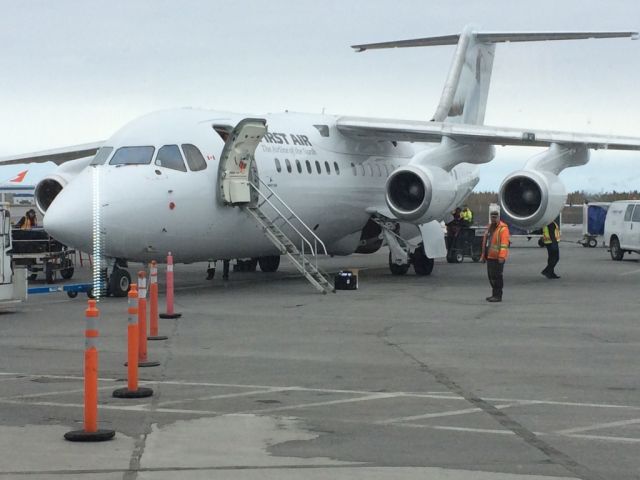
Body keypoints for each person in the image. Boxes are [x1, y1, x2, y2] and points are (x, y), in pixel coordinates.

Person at [481, 210, 510, 302]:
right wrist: (483, 255)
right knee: (491, 277)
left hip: (497, 258)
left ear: (498, 218)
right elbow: (486, 243)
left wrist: (502, 256)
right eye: (492, 217)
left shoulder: (503, 229)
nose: (493, 219)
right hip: (490, 257)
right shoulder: (489, 227)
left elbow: (504, 244)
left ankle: (498, 296)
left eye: (495, 217)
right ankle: (494, 294)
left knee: (497, 277)